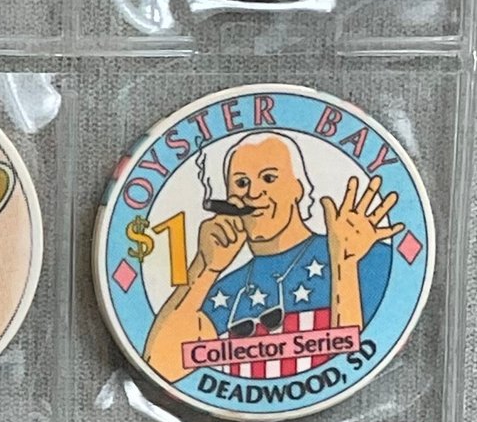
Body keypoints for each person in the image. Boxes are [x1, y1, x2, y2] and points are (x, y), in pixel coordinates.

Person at [142, 132, 402, 383]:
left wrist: (344, 266)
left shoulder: (368, 258)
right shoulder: (224, 291)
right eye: (241, 183)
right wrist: (206, 266)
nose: (253, 193)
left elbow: (349, 369)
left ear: (298, 188)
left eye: (268, 178)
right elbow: (159, 367)